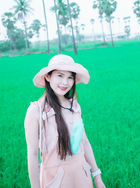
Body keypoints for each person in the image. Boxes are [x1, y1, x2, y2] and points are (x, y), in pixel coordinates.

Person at [24, 54, 106, 188]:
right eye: (60, 75)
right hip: (55, 181)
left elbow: (84, 143)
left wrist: (97, 176)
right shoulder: (36, 111)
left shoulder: (74, 106)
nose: (65, 83)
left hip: (82, 178)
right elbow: (32, 156)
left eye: (70, 77)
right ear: (48, 77)